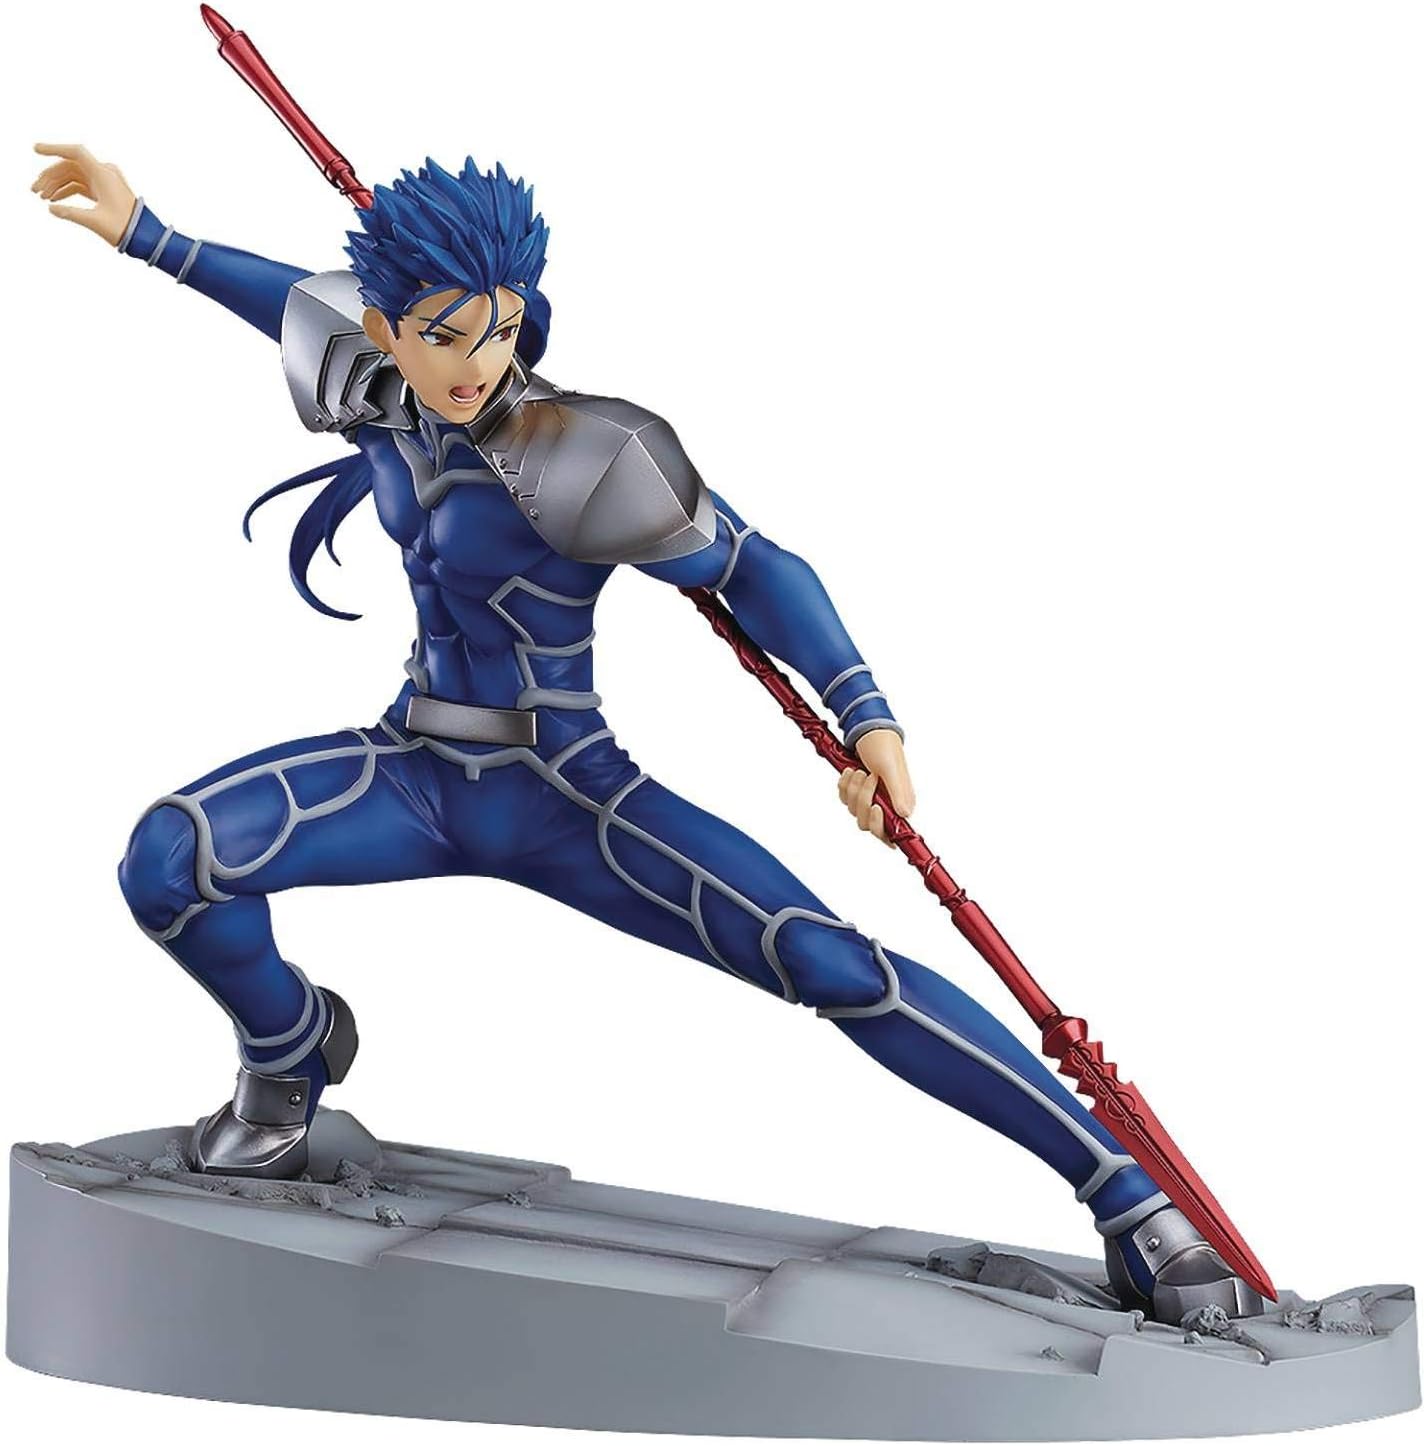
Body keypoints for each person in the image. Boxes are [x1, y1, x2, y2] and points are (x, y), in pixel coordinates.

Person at [32, 141, 1257, 1323]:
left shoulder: (587, 453)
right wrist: (150, 235)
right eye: (442, 335)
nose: (475, 363)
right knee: (171, 859)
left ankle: (1129, 1198)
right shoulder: (373, 386)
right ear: (389, 328)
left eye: (497, 330)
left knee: (828, 963)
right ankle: (290, 1050)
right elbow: (282, 301)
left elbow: (755, 568)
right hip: (416, 771)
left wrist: (864, 713)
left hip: (567, 796)